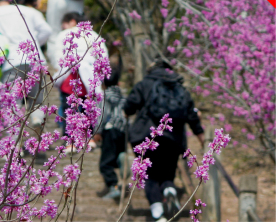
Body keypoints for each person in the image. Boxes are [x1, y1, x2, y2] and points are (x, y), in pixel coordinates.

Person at [124, 59, 205, 222]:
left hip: (145, 136)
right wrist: (201, 137)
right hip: (173, 139)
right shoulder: (179, 86)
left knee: (149, 175)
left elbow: (129, 107)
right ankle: (169, 189)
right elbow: (192, 115)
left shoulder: (144, 83)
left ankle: (157, 212)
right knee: (168, 172)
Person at [0, 0, 51, 130]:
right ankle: (37, 119)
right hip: (34, 59)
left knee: (12, 103)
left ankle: (14, 145)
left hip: (11, 62)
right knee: (36, 98)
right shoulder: (28, 11)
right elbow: (46, 31)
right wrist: (35, 43)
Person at [51, 12, 108, 152]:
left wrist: (61, 69)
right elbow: (103, 56)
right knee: (88, 110)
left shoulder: (64, 34)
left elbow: (57, 56)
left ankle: (70, 142)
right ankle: (88, 139)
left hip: (71, 76)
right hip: (89, 78)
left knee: (69, 110)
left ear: (71, 21)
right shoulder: (94, 34)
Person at [94, 49, 127, 200]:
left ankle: (113, 187)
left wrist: (97, 132)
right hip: (123, 131)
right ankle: (122, 162)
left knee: (105, 163)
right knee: (115, 158)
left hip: (110, 130)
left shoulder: (105, 96)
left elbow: (102, 114)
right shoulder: (122, 96)